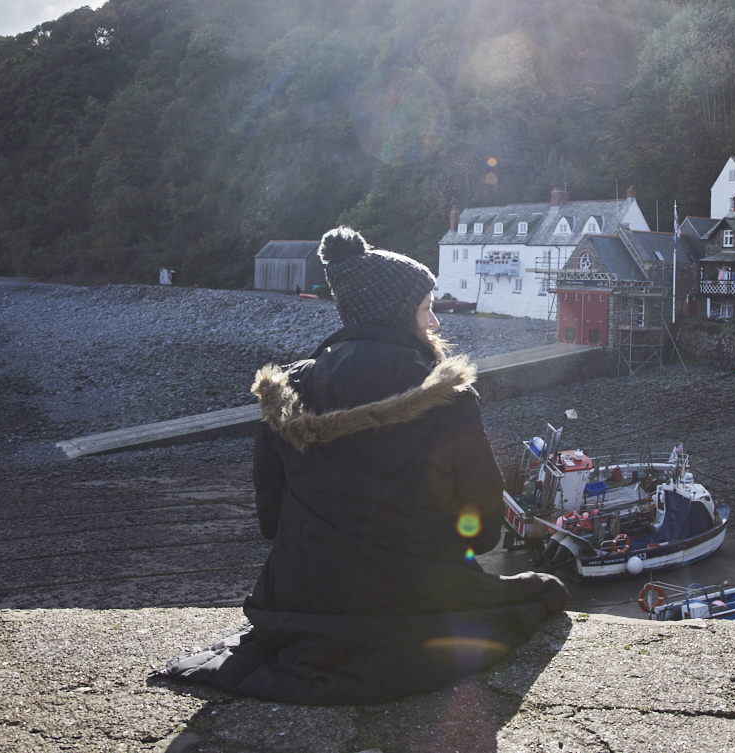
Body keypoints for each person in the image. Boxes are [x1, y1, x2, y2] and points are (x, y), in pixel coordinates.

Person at [161, 227, 567, 704]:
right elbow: (483, 531)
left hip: (300, 604)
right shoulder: (447, 397)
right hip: (415, 600)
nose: (435, 322)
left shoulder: (286, 395)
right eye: (425, 308)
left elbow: (270, 522)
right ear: (397, 314)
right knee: (545, 592)